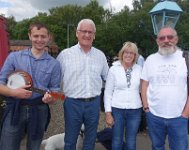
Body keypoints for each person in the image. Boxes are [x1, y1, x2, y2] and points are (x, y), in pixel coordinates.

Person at [0, 22, 62, 150]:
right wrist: (13, 93)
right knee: (7, 146)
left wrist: (51, 98)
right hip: (15, 109)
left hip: (39, 109)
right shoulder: (14, 57)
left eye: (43, 36)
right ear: (30, 36)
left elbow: (55, 91)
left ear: (48, 37)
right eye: (36, 36)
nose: (39, 40)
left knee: (34, 147)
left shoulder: (54, 64)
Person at [141, 26, 189, 150]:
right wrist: (146, 108)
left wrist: (186, 113)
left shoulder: (187, 57)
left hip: (179, 117)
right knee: (157, 147)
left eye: (170, 37)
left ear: (176, 39)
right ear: (157, 41)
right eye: (162, 38)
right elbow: (144, 84)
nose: (166, 40)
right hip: (154, 116)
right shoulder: (150, 60)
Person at [56, 18, 109, 150]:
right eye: (83, 31)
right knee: (70, 140)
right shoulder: (65, 55)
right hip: (72, 103)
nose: (87, 35)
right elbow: (55, 79)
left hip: (93, 103)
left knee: (90, 140)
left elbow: (108, 78)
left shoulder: (100, 56)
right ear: (77, 33)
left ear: (94, 35)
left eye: (90, 32)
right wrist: (56, 96)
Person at [104, 41, 142, 150]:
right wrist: (108, 113)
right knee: (116, 140)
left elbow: (143, 89)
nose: (128, 55)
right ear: (122, 53)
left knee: (131, 141)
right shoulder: (113, 69)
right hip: (117, 110)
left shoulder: (139, 69)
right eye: (126, 52)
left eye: (132, 53)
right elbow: (108, 93)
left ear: (135, 56)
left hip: (135, 110)